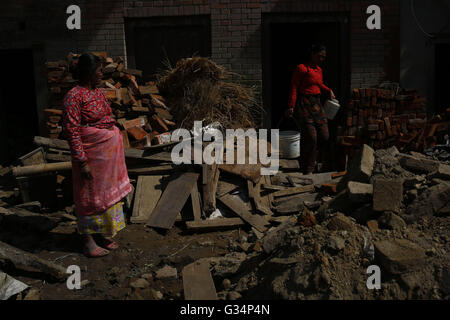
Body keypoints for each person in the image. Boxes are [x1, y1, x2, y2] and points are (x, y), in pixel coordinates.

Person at [62, 53, 132, 258]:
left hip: (107, 160)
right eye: (98, 70)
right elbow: (71, 130)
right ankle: (88, 241)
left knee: (105, 198)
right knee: (88, 197)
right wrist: (82, 162)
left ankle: (102, 233)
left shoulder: (98, 92)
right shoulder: (74, 96)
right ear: (88, 72)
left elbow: (105, 116)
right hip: (90, 156)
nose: (101, 73)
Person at [286, 44, 335, 174]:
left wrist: (328, 90)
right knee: (311, 137)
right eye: (319, 56)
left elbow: (318, 84)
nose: (322, 59)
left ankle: (317, 161)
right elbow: (294, 87)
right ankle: (308, 168)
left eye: (324, 57)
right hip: (304, 104)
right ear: (312, 54)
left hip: (317, 104)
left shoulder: (318, 70)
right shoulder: (301, 68)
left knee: (325, 136)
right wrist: (291, 106)